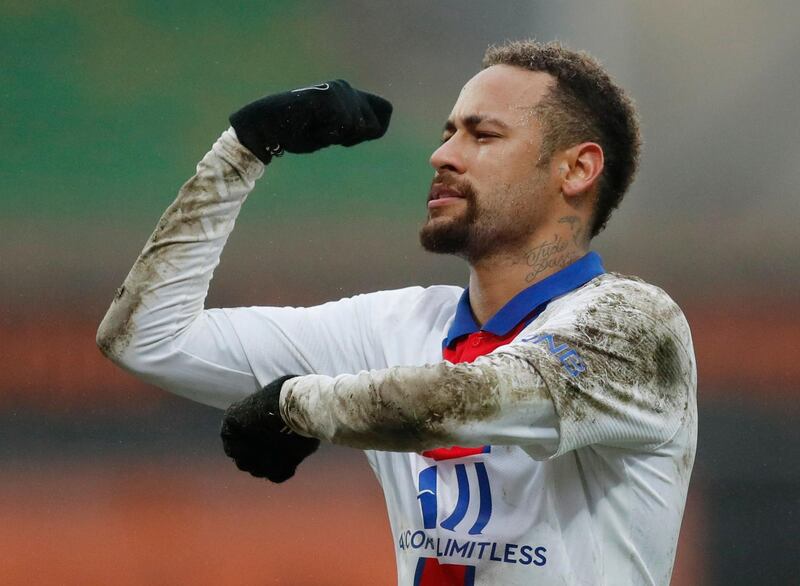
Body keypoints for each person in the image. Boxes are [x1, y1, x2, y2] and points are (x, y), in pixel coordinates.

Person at [97, 40, 697, 586]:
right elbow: (147, 338)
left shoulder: (635, 327)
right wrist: (240, 152)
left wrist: (294, 405)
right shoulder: (396, 328)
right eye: (447, 132)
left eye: (482, 136)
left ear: (577, 168)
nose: (443, 155)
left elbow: (463, 399)